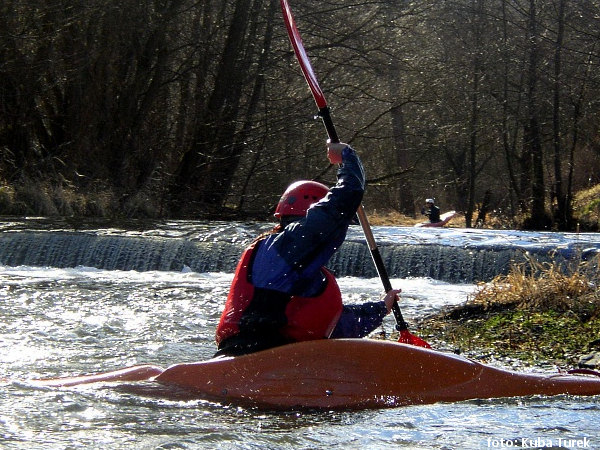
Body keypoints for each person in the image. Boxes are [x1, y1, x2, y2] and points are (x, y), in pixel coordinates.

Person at [215, 141, 400, 356]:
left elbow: (337, 324)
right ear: (310, 216)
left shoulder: (301, 269)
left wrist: (380, 308)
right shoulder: (286, 246)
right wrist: (347, 157)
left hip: (278, 360)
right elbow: (345, 198)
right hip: (250, 354)